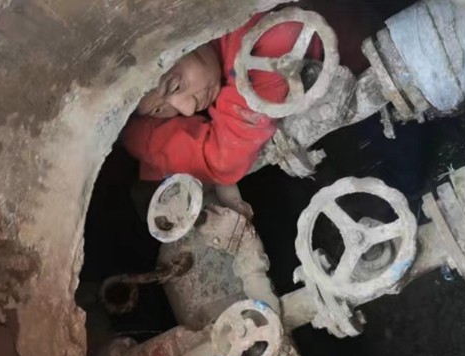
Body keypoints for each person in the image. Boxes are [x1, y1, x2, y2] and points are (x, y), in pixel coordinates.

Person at [122, 12, 322, 218]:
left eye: (175, 86)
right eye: (157, 110)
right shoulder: (210, 62)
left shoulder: (266, 40)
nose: (188, 109)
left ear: (183, 33)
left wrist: (138, 139)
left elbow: (224, 158)